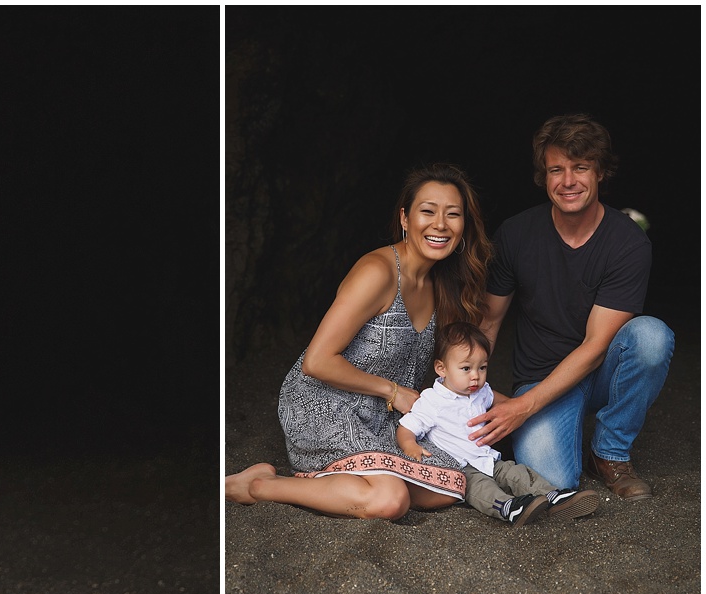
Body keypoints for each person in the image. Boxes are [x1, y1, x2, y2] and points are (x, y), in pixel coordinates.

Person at [226, 165, 492, 520]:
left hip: (381, 416)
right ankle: (259, 485)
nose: (440, 224)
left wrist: (517, 407)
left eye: (453, 214)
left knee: (451, 483)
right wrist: (393, 392)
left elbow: (457, 373)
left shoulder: (440, 284)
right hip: (323, 403)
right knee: (390, 501)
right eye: (428, 211)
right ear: (405, 218)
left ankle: (340, 482)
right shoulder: (378, 272)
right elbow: (317, 361)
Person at [472, 114, 673, 499]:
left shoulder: (628, 242)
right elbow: (489, 321)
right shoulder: (515, 234)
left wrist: (522, 408)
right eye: (556, 169)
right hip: (539, 374)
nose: (567, 181)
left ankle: (609, 451)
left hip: (599, 372)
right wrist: (471, 389)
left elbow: (597, 345)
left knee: (651, 337)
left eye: (580, 168)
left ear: (600, 173)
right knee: (555, 483)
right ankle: (553, 427)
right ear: (543, 176)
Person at [396, 322, 601, 525]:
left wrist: (519, 410)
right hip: (461, 467)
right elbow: (407, 427)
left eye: (482, 367)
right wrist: (410, 446)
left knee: (517, 473)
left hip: (489, 458)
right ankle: (509, 507)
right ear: (441, 368)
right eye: (466, 368)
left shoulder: (480, 390)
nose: (475, 376)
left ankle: (553, 496)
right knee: (481, 488)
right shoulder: (432, 400)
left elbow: (500, 401)